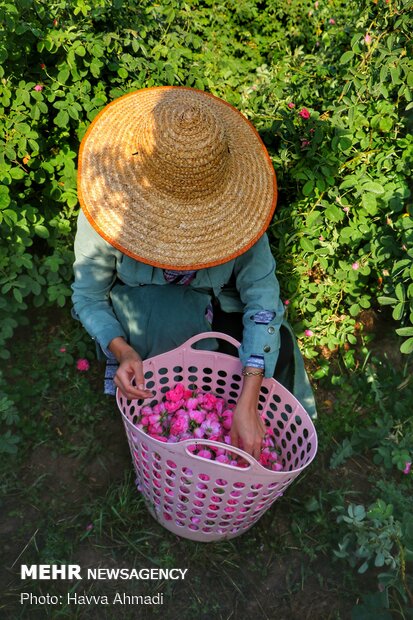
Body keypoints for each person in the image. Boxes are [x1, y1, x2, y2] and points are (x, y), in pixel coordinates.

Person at [72, 86, 316, 460]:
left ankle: (254, 437)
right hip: (143, 316)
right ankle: (171, 434)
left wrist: (248, 399)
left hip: (213, 304)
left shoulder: (243, 220)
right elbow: (88, 296)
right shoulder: (106, 211)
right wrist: (121, 350)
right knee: (167, 321)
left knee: (275, 346)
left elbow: (263, 305)